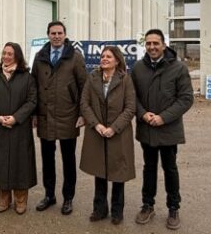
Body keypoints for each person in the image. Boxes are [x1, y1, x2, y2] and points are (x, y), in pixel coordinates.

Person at [131, 29, 193, 231]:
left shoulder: (178, 68)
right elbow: (133, 98)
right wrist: (143, 114)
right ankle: (147, 205)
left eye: (155, 43)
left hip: (169, 129)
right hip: (146, 128)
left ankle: (173, 207)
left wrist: (163, 117)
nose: (152, 47)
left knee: (170, 169)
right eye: (148, 43)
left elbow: (185, 99)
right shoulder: (138, 68)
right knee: (148, 168)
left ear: (164, 45)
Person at [31, 21, 88, 215]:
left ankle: (68, 198)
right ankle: (49, 195)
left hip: (68, 116)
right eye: (53, 33)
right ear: (48, 35)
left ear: (65, 35)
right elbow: (33, 87)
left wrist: (82, 114)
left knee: (68, 159)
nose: (56, 36)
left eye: (59, 33)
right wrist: (34, 114)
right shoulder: (39, 57)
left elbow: (84, 87)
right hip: (45, 116)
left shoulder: (75, 57)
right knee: (47, 159)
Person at [79, 45, 136, 225]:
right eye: (102, 56)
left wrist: (114, 128)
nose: (104, 59)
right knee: (99, 171)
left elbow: (130, 108)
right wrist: (96, 125)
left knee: (118, 173)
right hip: (97, 133)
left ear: (117, 60)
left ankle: (117, 212)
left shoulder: (125, 79)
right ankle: (99, 209)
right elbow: (84, 104)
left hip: (119, 134)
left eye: (108, 57)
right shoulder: (93, 78)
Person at [0, 42, 38, 214]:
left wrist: (16, 118)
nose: (6, 56)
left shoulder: (27, 77)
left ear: (17, 56)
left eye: (10, 54)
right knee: (1, 163)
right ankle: (3, 197)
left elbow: (32, 101)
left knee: (20, 164)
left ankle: (21, 199)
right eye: (4, 53)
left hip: (19, 128)